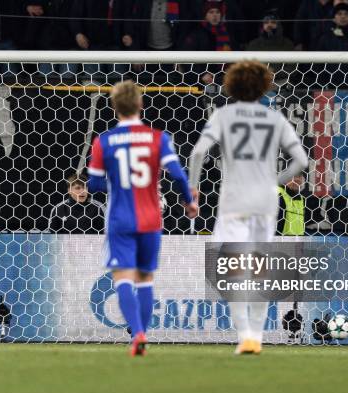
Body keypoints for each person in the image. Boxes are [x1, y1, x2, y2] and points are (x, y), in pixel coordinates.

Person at [188, 61, 307, 355]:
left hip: (234, 199)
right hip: (265, 201)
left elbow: (198, 153)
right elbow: (301, 161)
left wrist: (193, 190)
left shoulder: (223, 115)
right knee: (258, 266)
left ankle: (245, 336)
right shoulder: (274, 118)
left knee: (229, 267)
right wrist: (273, 182)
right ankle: (256, 334)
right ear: (264, 86)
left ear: (232, 86)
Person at [87, 80, 197, 356]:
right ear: (140, 105)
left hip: (120, 219)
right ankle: (143, 333)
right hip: (150, 218)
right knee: (145, 279)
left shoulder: (103, 142)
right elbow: (179, 175)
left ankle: (136, 333)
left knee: (122, 278)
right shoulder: (158, 138)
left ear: (114, 108)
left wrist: (118, 183)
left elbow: (94, 185)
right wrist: (188, 201)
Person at [180, 1, 235, 85]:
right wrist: (202, 74)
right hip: (200, 81)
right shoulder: (196, 34)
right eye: (211, 12)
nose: (215, 15)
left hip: (225, 79)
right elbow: (187, 58)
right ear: (205, 15)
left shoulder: (227, 33)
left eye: (217, 12)